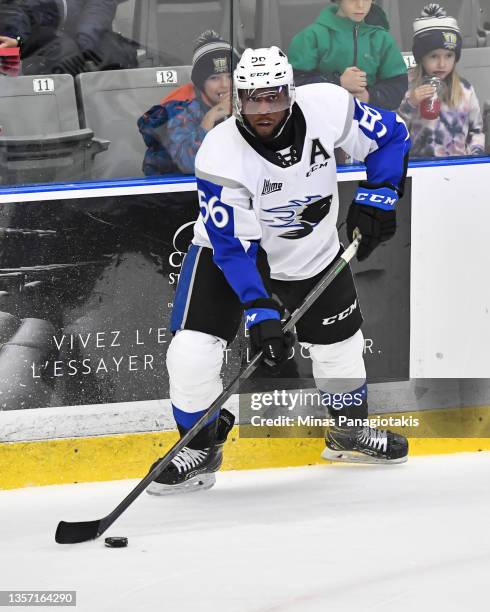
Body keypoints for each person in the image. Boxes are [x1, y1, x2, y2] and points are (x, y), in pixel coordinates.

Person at [146, 46, 411, 496]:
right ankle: (201, 447)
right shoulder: (220, 153)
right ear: (239, 99)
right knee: (191, 353)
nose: (264, 109)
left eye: (274, 97)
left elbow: (393, 135)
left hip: (312, 251)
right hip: (225, 258)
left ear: (290, 92)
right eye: (253, 99)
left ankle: (348, 435)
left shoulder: (327, 105)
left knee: (340, 350)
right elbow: (233, 249)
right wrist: (261, 312)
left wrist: (379, 194)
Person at [138, 31, 238, 176]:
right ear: (201, 82)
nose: (225, 85)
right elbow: (190, 164)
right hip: (178, 195)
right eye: (214, 78)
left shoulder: (246, 105)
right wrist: (210, 118)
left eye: (230, 76)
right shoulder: (180, 111)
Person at [398, 4, 485, 158]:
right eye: (433, 56)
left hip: (457, 167)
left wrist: (474, 158)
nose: (442, 64)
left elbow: (476, 130)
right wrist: (409, 104)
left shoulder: (464, 89)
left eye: (449, 56)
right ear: (421, 57)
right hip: (418, 168)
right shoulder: (407, 86)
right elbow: (392, 130)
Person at [288, 0, 408, 111]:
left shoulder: (383, 39)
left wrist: (370, 97)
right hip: (323, 124)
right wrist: (337, 82)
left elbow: (397, 86)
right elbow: (294, 85)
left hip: (370, 126)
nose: (360, 5)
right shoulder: (311, 37)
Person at [0, 0, 136, 76]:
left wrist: (84, 45)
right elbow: (12, 10)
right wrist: (16, 37)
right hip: (29, 41)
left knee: (116, 53)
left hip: (83, 40)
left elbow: (99, 7)